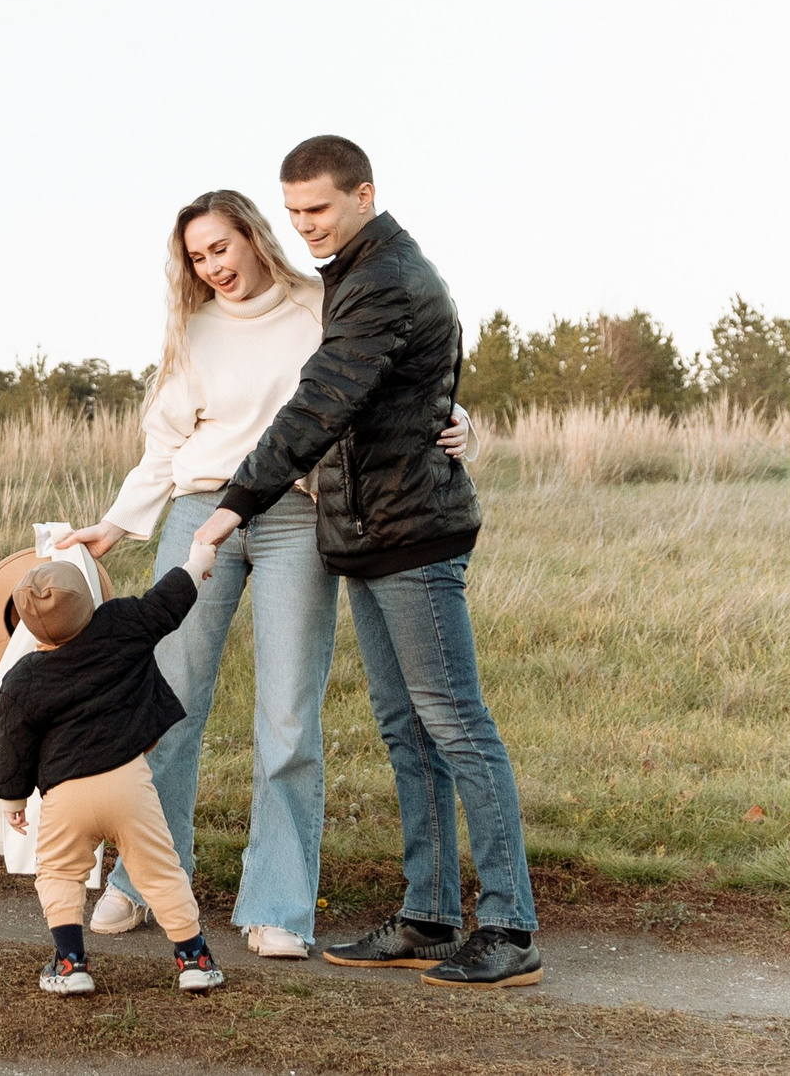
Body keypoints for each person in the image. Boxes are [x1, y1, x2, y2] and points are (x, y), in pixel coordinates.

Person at [56, 192, 471, 959]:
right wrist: (116, 523)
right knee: (167, 701)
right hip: (197, 512)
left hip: (296, 518)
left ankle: (278, 902)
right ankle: (143, 880)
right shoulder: (193, 330)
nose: (213, 267)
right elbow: (163, 445)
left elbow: (396, 371)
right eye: (198, 257)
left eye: (222, 247)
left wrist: (459, 420)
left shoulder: (321, 302)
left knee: (288, 715)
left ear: (253, 234)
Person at [188, 134, 540, 988]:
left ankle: (510, 925)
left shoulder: (384, 277)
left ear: (363, 193)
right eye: (294, 210)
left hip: (413, 535)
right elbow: (410, 389)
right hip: (372, 536)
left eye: (318, 208)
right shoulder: (356, 270)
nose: (304, 224)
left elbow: (324, 399)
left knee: (455, 722)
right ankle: (427, 910)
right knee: (406, 726)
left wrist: (238, 498)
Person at [0, 553, 226, 996]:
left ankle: (70, 963)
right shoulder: (121, 624)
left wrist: (13, 799)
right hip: (128, 782)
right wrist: (197, 563)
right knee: (160, 870)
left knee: (60, 873)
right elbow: (166, 603)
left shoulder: (23, 677)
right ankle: (194, 959)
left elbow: (13, 743)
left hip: (66, 795)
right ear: (88, 601)